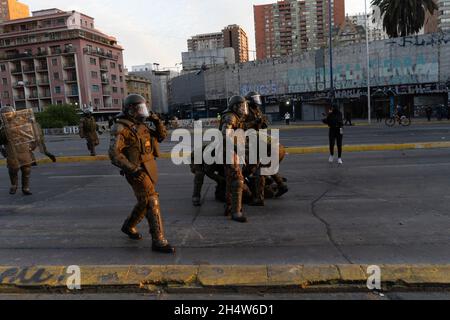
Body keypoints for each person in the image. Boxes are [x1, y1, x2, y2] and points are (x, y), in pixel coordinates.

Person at [109, 94, 174, 254]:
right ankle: (158, 240)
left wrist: (157, 121)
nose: (142, 112)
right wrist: (132, 169)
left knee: (144, 201)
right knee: (152, 200)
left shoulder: (142, 125)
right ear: (131, 110)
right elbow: (114, 153)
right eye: (140, 109)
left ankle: (128, 225)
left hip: (148, 167)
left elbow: (161, 136)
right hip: (136, 170)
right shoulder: (120, 128)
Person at [220, 95, 249, 223]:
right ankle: (236, 212)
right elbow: (225, 134)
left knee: (230, 180)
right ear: (235, 106)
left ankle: (229, 207)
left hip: (233, 152)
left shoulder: (237, 117)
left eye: (244, 106)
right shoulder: (231, 117)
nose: (243, 109)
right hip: (229, 152)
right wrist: (237, 147)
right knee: (237, 180)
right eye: (241, 106)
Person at [0, 106, 36, 195]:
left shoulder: (22, 123)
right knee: (13, 169)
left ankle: (25, 188)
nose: (7, 116)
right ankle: (14, 185)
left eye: (8, 114)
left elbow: (31, 136)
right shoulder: (3, 128)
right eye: (5, 114)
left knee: (26, 169)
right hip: (12, 151)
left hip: (24, 150)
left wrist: (33, 145)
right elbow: (1, 141)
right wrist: (2, 149)